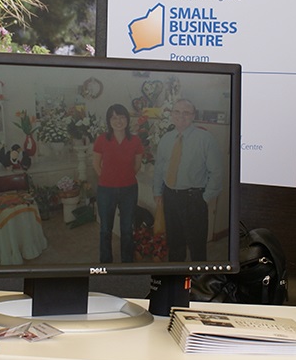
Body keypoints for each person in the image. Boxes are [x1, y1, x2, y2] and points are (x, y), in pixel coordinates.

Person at [152, 99, 223, 262]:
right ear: (171, 114)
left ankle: (200, 284)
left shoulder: (205, 139)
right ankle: (176, 280)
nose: (181, 116)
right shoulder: (166, 138)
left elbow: (217, 172)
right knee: (175, 244)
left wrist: (205, 197)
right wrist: (157, 191)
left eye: (186, 112)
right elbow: (159, 167)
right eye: (177, 111)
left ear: (193, 116)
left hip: (194, 199)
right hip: (170, 197)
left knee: (197, 247)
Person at [92, 104, 144, 263]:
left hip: (129, 190)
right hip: (105, 190)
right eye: (114, 117)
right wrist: (109, 178)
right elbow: (96, 164)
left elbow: (137, 165)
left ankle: (127, 262)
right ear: (109, 121)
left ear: (127, 119)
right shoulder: (102, 139)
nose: (118, 121)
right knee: (106, 229)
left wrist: (123, 177)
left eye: (121, 116)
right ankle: (106, 263)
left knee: (127, 229)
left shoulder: (135, 140)